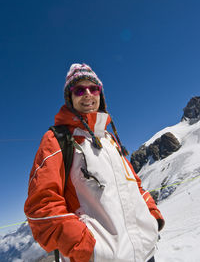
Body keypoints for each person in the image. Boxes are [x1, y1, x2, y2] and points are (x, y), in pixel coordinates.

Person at [24, 63, 165, 262]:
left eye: (93, 88)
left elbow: (135, 185)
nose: (88, 94)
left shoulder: (109, 139)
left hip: (146, 253)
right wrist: (89, 249)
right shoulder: (57, 140)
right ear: (70, 98)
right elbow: (41, 206)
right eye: (79, 90)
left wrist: (153, 216)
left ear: (101, 93)